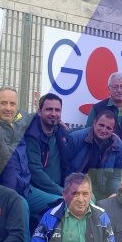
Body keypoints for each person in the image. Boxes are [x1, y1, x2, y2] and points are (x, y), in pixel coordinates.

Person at [20, 93, 70, 222]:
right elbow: (35, 173)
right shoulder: (32, 135)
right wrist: (62, 191)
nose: (53, 113)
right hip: (34, 189)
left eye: (57, 110)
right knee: (63, 204)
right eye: (49, 109)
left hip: (57, 187)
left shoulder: (60, 131)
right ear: (39, 111)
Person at [66, 110, 122, 199]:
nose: (104, 130)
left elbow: (117, 175)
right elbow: (63, 168)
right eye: (101, 125)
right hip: (75, 189)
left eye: (108, 128)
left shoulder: (117, 145)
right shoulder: (75, 138)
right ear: (94, 123)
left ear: (113, 130)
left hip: (101, 192)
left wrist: (115, 195)